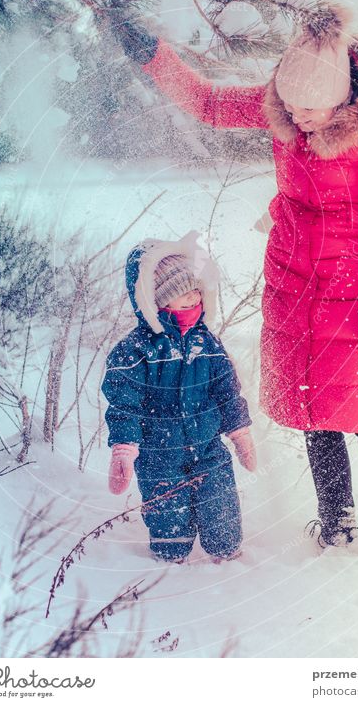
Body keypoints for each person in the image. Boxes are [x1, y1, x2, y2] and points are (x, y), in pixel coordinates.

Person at [114, 8, 358, 561]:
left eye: (313, 109)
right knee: (312, 408)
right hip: (293, 284)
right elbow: (210, 103)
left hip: (357, 288)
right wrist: (154, 57)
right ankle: (336, 521)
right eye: (293, 107)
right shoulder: (283, 106)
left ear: (342, 98)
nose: (301, 119)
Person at [101, 231, 257, 564]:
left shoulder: (208, 343)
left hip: (208, 447)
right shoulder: (135, 350)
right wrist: (124, 449)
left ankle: (228, 559)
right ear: (153, 300)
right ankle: (170, 564)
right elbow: (124, 403)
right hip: (160, 454)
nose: (190, 298)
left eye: (194, 290)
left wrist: (240, 433)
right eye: (178, 293)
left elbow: (227, 389)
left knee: (223, 515)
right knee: (170, 528)